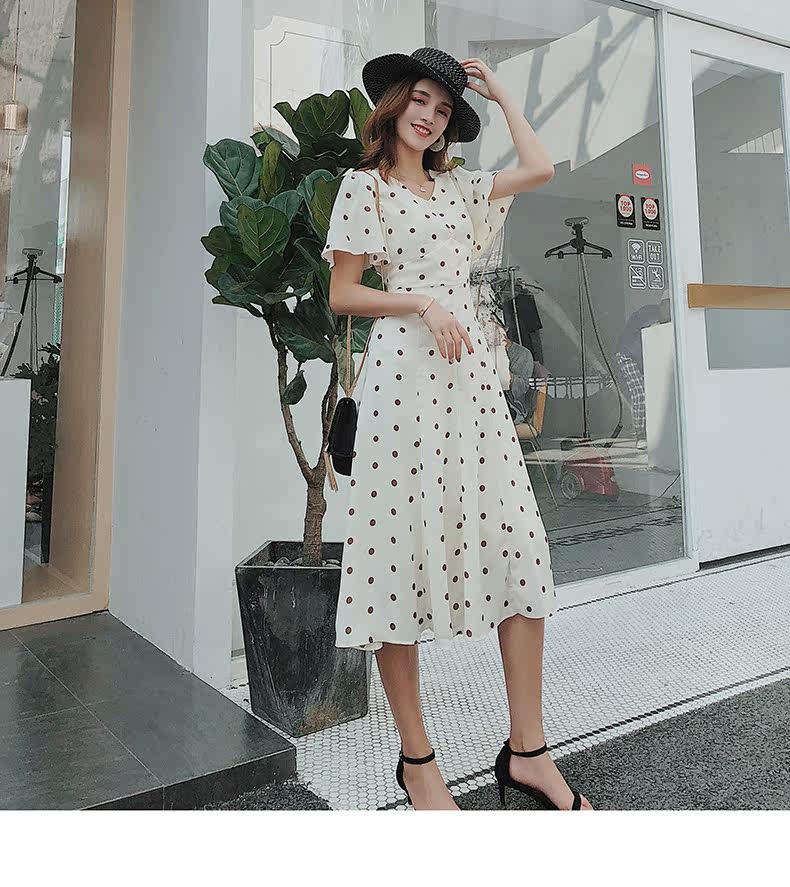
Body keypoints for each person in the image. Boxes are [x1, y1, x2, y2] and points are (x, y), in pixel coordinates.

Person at [321, 47, 591, 811]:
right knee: (394, 562)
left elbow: (539, 167)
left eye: (443, 109)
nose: (429, 116)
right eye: (420, 100)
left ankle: (528, 750)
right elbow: (343, 293)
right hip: (401, 387)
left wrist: (500, 93)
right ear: (394, 103)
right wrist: (421, 302)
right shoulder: (364, 187)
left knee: (522, 548)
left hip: (470, 389)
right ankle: (418, 763)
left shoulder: (457, 189)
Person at [614, 294, 672, 444]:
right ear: (662, 304)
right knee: (640, 393)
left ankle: (655, 432)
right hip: (627, 356)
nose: (670, 309)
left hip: (645, 360)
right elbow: (652, 328)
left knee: (657, 393)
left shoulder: (670, 320)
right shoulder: (649, 313)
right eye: (667, 305)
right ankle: (641, 435)